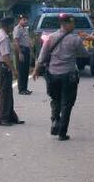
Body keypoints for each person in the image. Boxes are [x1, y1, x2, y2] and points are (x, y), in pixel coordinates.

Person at [32, 13, 88, 141]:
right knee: (66, 104)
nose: (74, 25)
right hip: (69, 76)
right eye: (72, 23)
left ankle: (55, 120)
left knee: (55, 99)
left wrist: (36, 70)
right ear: (65, 24)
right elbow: (84, 54)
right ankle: (62, 133)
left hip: (53, 75)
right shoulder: (75, 39)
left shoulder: (50, 38)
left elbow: (42, 56)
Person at [0, 16, 24, 127]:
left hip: (1, 66)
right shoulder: (4, 37)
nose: (12, 27)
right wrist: (14, 70)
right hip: (3, 66)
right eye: (12, 25)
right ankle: (2, 118)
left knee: (8, 93)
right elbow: (5, 56)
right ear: (8, 25)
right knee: (5, 93)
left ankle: (10, 116)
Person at [13, 14, 32, 95]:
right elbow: (16, 41)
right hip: (21, 50)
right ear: (19, 20)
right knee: (21, 70)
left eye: (26, 19)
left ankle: (25, 88)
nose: (25, 21)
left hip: (26, 50)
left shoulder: (25, 29)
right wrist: (20, 53)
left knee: (26, 70)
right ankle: (21, 89)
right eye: (23, 19)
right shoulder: (17, 29)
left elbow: (28, 40)